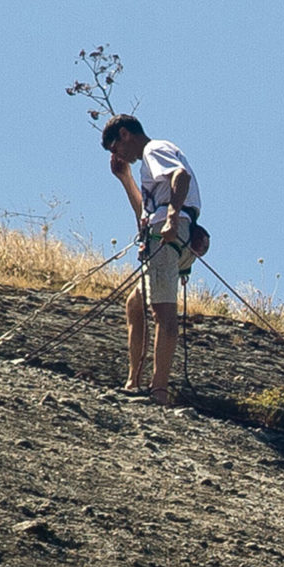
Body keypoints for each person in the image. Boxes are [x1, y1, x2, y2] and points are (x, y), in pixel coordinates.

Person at [100, 115, 205, 403]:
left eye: (115, 148)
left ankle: (158, 391)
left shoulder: (153, 149)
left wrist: (171, 218)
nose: (118, 155)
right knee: (135, 303)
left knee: (162, 312)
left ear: (125, 134)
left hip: (168, 234)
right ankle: (133, 382)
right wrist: (125, 178)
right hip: (170, 235)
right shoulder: (150, 160)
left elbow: (180, 176)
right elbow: (144, 213)